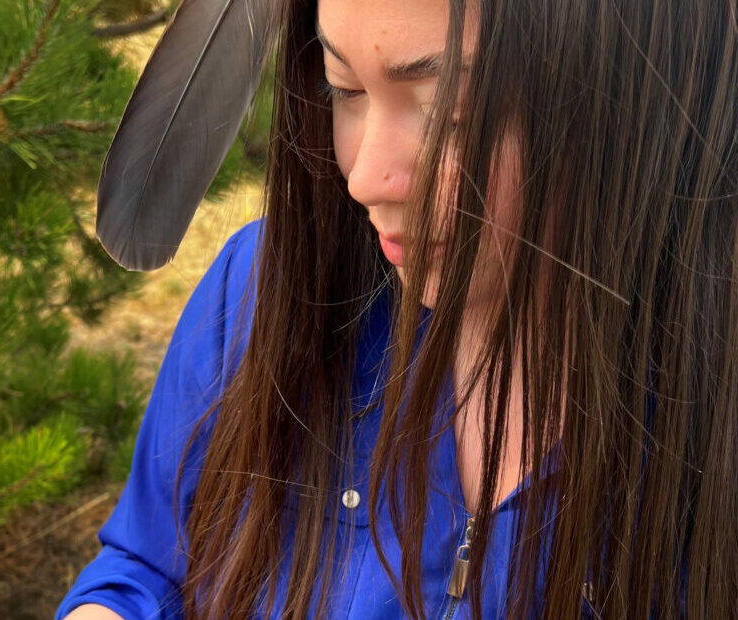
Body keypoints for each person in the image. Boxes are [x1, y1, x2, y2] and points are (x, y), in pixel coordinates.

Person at [57, 0, 738, 617]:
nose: (364, 174)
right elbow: (149, 568)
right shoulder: (266, 290)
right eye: (343, 87)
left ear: (641, 106)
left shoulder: (709, 429)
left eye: (454, 112)